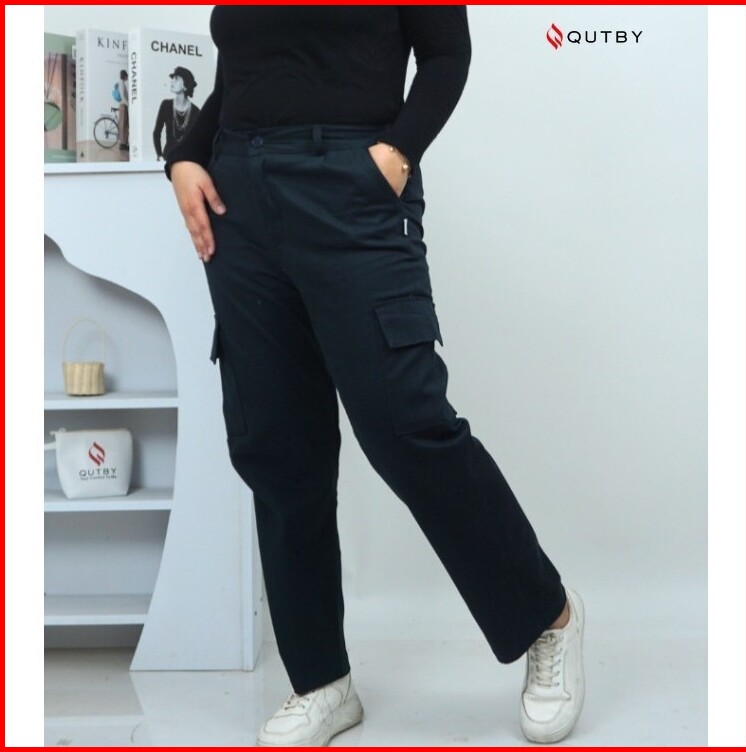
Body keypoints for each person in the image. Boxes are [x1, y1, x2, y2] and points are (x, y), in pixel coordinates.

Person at [164, 6, 586, 747]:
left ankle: (547, 617)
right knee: (275, 443)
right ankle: (320, 679)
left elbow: (447, 55)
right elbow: (244, 68)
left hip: (351, 191)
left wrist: (395, 153)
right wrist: (186, 155)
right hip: (241, 202)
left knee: (405, 426)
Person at [154, 66, 201, 161]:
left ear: (185, 85)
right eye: (172, 78)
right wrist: (159, 154)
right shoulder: (166, 105)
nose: (172, 81)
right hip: (168, 157)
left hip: (188, 159)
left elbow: (198, 139)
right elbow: (157, 131)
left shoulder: (196, 111)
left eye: (176, 79)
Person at [116, 69, 129, 151]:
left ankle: (124, 143)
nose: (127, 77)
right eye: (127, 75)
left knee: (124, 124)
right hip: (123, 106)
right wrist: (128, 104)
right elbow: (122, 96)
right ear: (124, 76)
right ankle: (123, 144)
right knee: (123, 125)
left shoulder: (122, 83)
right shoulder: (121, 83)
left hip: (124, 105)